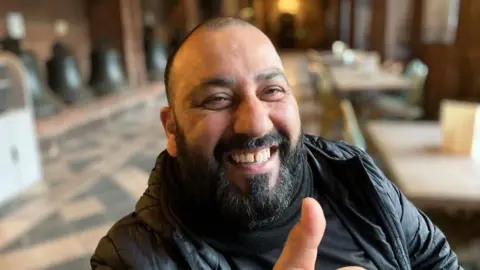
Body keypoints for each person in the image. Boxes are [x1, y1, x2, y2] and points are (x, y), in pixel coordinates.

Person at [91, 17, 460, 270]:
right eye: (217, 99)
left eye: (272, 91)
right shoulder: (130, 258)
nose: (254, 120)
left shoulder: (354, 176)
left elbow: (437, 260)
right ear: (172, 129)